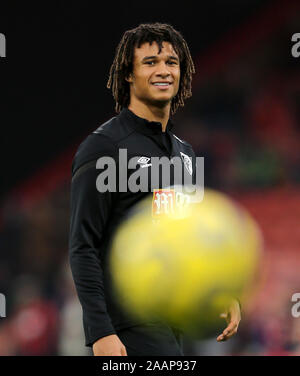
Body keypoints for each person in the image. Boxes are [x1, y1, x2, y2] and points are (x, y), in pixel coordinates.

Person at [69, 22, 241, 356]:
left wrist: (219, 293)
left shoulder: (186, 154)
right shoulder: (103, 147)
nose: (163, 70)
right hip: (127, 327)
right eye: (150, 62)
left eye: (171, 63)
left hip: (175, 322)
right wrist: (100, 331)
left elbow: (189, 239)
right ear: (129, 74)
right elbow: (82, 245)